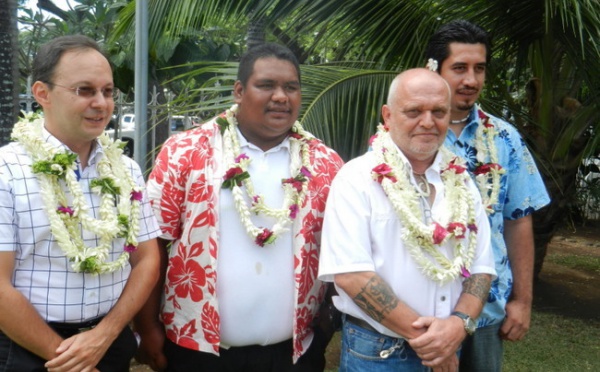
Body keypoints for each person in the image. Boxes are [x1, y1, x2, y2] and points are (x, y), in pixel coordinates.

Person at [135, 42, 344, 371]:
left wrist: (328, 323)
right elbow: (152, 244)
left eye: (291, 87)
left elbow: (342, 249)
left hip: (295, 353)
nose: (281, 96)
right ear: (239, 90)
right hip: (198, 350)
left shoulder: (325, 163)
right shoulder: (185, 151)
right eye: (266, 85)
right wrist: (146, 328)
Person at [318, 68, 497, 371]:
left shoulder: (462, 181)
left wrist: (458, 326)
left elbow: (481, 268)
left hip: (451, 343)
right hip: (379, 353)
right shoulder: (357, 178)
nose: (428, 121)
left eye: (439, 111)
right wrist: (434, 343)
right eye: (414, 111)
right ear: (387, 116)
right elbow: (350, 275)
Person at [0, 35, 161, 371]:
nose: (101, 103)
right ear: (42, 93)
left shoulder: (126, 169)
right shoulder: (7, 170)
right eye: (84, 90)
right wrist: (70, 359)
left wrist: (105, 334)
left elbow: (146, 259)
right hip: (30, 350)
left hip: (109, 344)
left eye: (107, 91)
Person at [424, 20, 551, 371]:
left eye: (479, 69)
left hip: (487, 310)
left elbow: (518, 219)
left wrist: (522, 301)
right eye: (460, 68)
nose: (471, 80)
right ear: (433, 69)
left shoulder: (505, 138)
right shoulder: (406, 136)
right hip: (419, 312)